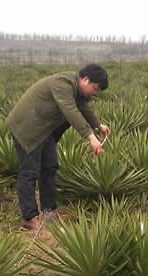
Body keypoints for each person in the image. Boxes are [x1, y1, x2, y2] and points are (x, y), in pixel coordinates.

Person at [6, 64, 110, 230]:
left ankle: (49, 210)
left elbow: (83, 107)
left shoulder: (78, 90)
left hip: (43, 129)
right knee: (29, 172)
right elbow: (70, 109)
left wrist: (98, 126)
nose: (94, 92)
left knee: (50, 166)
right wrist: (90, 136)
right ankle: (29, 218)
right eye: (95, 88)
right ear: (85, 79)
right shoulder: (63, 83)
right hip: (27, 126)